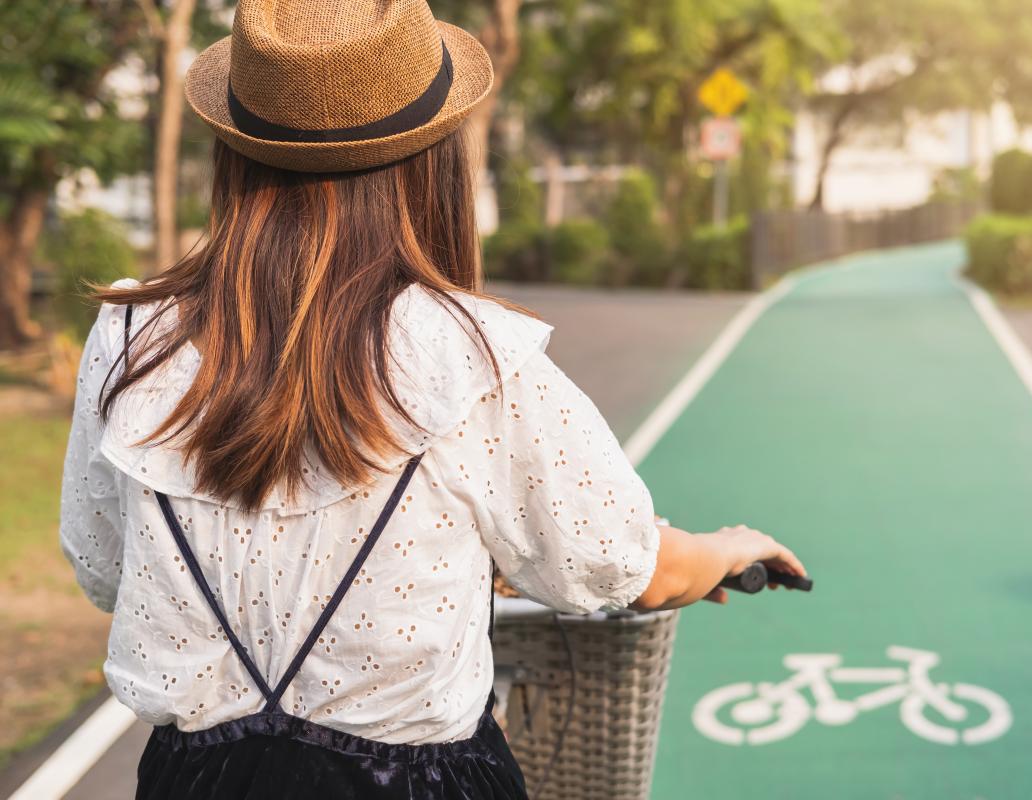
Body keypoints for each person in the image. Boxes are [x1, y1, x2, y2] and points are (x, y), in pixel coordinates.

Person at [59, 1, 807, 798]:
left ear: (236, 157)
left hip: (194, 782)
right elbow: (622, 565)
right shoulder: (475, 356)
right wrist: (730, 547)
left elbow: (107, 565)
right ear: (433, 159)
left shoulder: (134, 336)